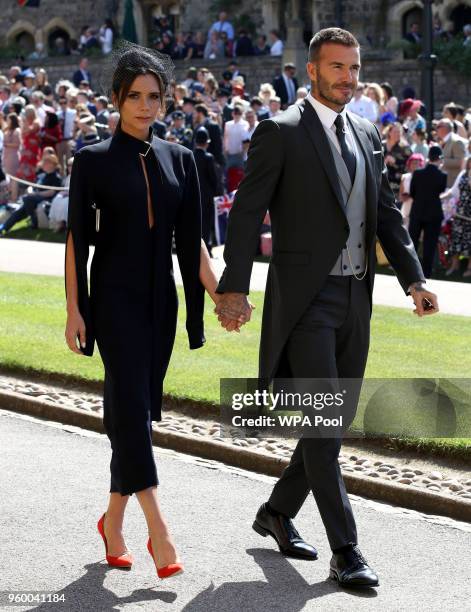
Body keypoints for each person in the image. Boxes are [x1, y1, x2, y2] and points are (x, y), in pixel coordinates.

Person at [214, 27, 438, 589]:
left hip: (355, 300)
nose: (348, 77)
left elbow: (385, 213)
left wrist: (413, 279)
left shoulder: (366, 132)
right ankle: (348, 550)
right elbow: (246, 214)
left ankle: (276, 513)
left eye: (355, 68)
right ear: (312, 70)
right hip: (305, 302)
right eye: (337, 67)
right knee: (323, 422)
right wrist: (233, 288)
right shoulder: (279, 131)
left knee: (328, 426)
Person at [63, 41, 222, 580]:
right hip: (112, 301)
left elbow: (193, 241)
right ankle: (160, 529)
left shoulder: (182, 159)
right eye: (135, 96)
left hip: (162, 302)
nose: (146, 106)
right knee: (129, 407)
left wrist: (220, 294)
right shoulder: (91, 160)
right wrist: (73, 309)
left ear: (165, 100)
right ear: (116, 99)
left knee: (132, 413)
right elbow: (76, 241)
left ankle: (111, 522)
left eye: (154, 96)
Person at [409, 146, 448, 278]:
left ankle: (411, 272)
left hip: (418, 211)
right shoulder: (442, 175)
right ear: (439, 159)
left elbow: (412, 192)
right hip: (434, 214)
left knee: (413, 242)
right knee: (429, 245)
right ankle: (426, 274)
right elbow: (440, 191)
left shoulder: (417, 173)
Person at [0, 153, 62, 234]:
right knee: (20, 210)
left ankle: (33, 221)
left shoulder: (56, 177)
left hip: (45, 199)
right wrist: (30, 191)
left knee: (26, 200)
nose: (43, 164)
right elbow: (32, 186)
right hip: (32, 200)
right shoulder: (41, 175)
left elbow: (51, 192)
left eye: (45, 162)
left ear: (52, 164)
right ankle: (4, 229)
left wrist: (36, 194)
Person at [442, 157, 471, 278]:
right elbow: (454, 190)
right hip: (459, 213)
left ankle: (469, 268)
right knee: (456, 240)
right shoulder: (463, 173)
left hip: (470, 216)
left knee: (469, 243)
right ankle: (455, 266)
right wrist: (441, 196)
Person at [194, 127, 220, 253]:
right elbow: (213, 178)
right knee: (206, 222)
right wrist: (217, 192)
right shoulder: (208, 157)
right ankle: (205, 248)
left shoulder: (190, 155)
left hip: (193, 194)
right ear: (207, 142)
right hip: (206, 195)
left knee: (195, 221)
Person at [436, 118, 467, 188]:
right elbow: (444, 156)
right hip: (445, 182)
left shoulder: (456, 141)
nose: (436, 130)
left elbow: (460, 161)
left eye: (438, 127)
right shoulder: (444, 141)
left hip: (452, 184)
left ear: (444, 128)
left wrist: (441, 161)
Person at [399, 152, 425, 228]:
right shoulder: (405, 177)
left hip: (418, 209)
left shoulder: (423, 179)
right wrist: (404, 197)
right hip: (406, 208)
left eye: (418, 163)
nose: (415, 165)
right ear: (409, 164)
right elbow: (400, 196)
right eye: (413, 163)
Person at [2, 112, 21, 201]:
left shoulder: (17, 131)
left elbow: (17, 144)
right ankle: (9, 197)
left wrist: (6, 144)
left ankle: (14, 197)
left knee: (13, 177)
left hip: (13, 156)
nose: (7, 121)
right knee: (8, 177)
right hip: (6, 156)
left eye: (9, 120)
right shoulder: (7, 130)